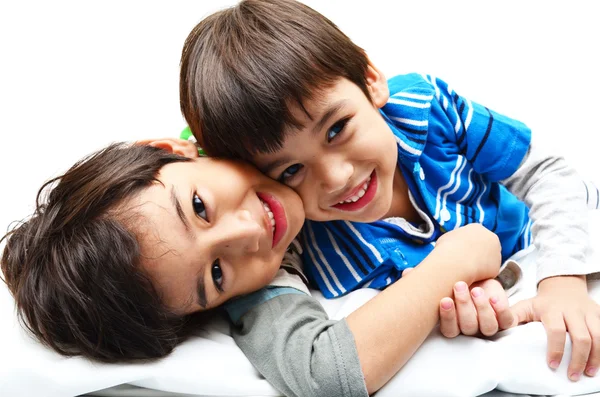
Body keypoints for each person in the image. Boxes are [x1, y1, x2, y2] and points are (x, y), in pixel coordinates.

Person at [178, 0, 600, 383]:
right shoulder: (293, 238)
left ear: (370, 79)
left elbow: (544, 171)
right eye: (291, 170)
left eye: (337, 129)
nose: (337, 176)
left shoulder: (424, 107)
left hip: (530, 246)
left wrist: (562, 278)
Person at [1, 140, 506, 396]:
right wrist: (454, 264)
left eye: (199, 207)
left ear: (174, 149)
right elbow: (326, 374)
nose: (247, 234)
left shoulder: (282, 110)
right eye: (216, 275)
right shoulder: (266, 284)